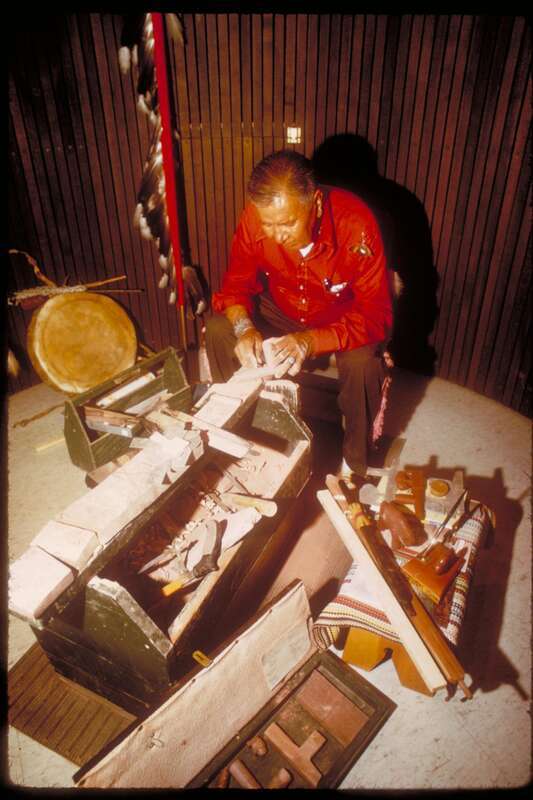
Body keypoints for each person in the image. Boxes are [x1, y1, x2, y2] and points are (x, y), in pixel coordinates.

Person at [205, 150, 393, 476]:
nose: (277, 235)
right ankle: (233, 432)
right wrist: (244, 328)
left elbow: (376, 313)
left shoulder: (357, 225)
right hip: (283, 308)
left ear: (316, 204)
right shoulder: (254, 217)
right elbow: (235, 287)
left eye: (288, 222)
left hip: (340, 319)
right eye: (268, 224)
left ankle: (355, 466)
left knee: (364, 363)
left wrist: (310, 341)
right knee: (219, 327)